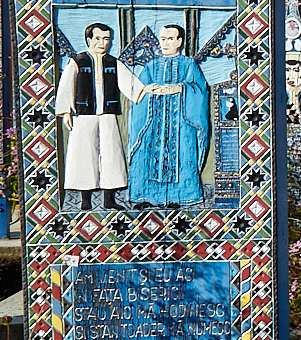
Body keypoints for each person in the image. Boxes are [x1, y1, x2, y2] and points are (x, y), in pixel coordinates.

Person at [54, 22, 143, 210]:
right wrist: (66, 112)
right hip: (83, 115)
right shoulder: (78, 61)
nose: (102, 43)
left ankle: (109, 199)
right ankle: (85, 201)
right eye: (98, 38)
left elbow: (132, 85)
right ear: (89, 40)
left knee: (111, 154)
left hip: (108, 114)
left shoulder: (113, 62)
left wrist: (149, 91)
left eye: (106, 39)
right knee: (84, 154)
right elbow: (67, 86)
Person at [125, 24, 211, 207]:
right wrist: (149, 91)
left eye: (170, 39)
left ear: (179, 41)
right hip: (152, 121)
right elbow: (138, 93)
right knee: (146, 152)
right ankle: (146, 196)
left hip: (181, 122)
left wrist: (180, 89)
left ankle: (180, 196)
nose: (165, 43)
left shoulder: (189, 64)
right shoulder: (151, 66)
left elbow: (201, 90)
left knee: (183, 154)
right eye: (162, 39)